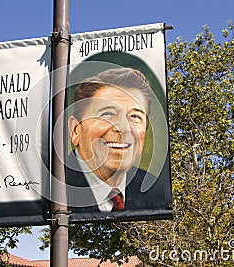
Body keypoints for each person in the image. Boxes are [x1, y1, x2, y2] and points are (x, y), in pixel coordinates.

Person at [66, 67, 169, 216]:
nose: (124, 128)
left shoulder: (158, 191)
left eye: (135, 116)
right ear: (75, 130)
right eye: (107, 114)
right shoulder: (51, 190)